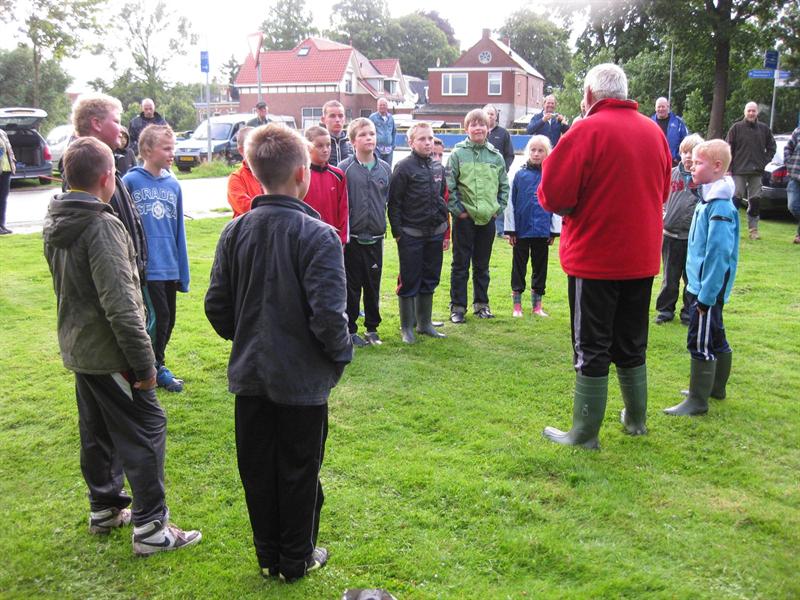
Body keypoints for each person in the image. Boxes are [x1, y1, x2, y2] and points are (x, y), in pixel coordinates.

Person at [205, 123, 352, 582]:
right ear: (302, 173)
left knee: (260, 468)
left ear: (254, 172)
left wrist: (248, 337)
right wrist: (338, 355)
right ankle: (291, 557)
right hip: (297, 379)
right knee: (297, 468)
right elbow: (329, 317)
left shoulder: (236, 232)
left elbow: (217, 306)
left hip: (256, 374)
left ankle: (278, 555)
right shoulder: (318, 236)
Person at [43, 137, 201, 556]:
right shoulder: (101, 225)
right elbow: (122, 307)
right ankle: (151, 528)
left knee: (97, 430)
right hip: (111, 353)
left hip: (81, 349)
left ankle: (106, 509)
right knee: (147, 427)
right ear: (108, 177)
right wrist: (145, 366)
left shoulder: (58, 218)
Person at [539, 63, 672, 449]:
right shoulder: (654, 131)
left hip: (595, 258)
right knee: (632, 339)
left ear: (590, 94)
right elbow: (663, 191)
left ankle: (584, 433)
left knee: (592, 344)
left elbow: (554, 195)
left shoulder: (585, 130)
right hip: (641, 257)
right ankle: (636, 419)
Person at [664, 139, 738, 416]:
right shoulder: (707, 198)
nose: (692, 167)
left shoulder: (720, 207)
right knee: (716, 333)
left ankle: (697, 400)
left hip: (707, 290)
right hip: (701, 285)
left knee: (701, 340)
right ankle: (714, 388)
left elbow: (719, 255)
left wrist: (705, 296)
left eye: (698, 163)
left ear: (717, 166)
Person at [122, 124, 189, 393]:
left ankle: (154, 364)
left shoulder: (173, 185)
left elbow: (179, 231)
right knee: (157, 318)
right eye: (166, 148)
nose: (172, 153)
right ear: (147, 150)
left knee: (168, 320)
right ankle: (152, 368)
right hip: (147, 268)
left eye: (173, 148)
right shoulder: (130, 182)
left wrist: (182, 271)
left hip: (169, 265)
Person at [71, 93, 148, 285]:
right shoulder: (84, 169)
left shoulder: (106, 165)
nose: (121, 129)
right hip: (113, 283)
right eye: (116, 121)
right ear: (96, 123)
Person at [387, 122, 449, 344]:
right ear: (411, 142)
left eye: (430, 138)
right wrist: (398, 233)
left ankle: (425, 324)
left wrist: (443, 227)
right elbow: (394, 203)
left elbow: (442, 197)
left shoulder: (438, 167)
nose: (427, 143)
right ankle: (407, 328)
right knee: (409, 280)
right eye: (422, 139)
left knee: (430, 277)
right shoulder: (403, 167)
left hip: (434, 233)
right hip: (410, 234)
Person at [447, 108, 509, 324]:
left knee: (482, 265)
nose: (478, 128)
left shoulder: (496, 157)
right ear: (466, 129)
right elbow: (449, 186)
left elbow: (504, 186)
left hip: (487, 219)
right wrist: (459, 211)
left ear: (488, 128)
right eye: (473, 125)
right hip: (465, 220)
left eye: (481, 124)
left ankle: (482, 304)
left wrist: (497, 210)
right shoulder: (457, 155)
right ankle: (457, 307)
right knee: (460, 264)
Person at [338, 118, 392, 347]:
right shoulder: (344, 169)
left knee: (372, 284)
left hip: (376, 238)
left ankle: (372, 328)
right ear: (352, 141)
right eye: (363, 135)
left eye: (371, 134)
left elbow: (388, 200)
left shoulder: (385, 169)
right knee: (351, 286)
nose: (369, 138)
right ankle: (350, 329)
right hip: (352, 239)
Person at [654, 133, 704, 325]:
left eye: (692, 152)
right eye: (685, 152)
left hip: (693, 236)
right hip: (670, 234)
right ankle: (665, 310)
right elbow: (660, 195)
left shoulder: (702, 178)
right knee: (670, 276)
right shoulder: (672, 173)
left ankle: (689, 312)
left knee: (691, 277)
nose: (688, 156)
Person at [504, 135, 556, 318]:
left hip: (542, 230)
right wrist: (511, 229)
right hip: (522, 230)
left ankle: (537, 306)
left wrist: (553, 230)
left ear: (547, 153)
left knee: (540, 267)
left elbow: (555, 203)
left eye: (540, 150)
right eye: (533, 150)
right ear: (528, 151)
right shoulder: (519, 174)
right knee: (519, 266)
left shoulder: (550, 175)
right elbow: (510, 203)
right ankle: (517, 305)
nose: (536, 154)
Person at [725, 101, 776, 240]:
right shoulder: (736, 128)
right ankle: (731, 227)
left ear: (757, 112)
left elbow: (772, 147)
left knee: (755, 201)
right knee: (735, 199)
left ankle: (753, 230)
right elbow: (727, 149)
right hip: (738, 170)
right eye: (749, 110)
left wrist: (764, 161)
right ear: (745, 112)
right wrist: (728, 168)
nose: (751, 113)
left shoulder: (764, 129)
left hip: (756, 171)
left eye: (753, 110)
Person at [303, 125, 349, 245]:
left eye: (328, 145)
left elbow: (343, 210)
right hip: (306, 240)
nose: (325, 149)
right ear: (307, 147)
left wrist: (342, 240)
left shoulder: (338, 175)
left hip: (332, 240)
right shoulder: (301, 174)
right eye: (319, 146)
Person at [485, 104, 515, 237]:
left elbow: (510, 155)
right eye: (487, 113)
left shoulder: (503, 133)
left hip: (498, 176)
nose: (489, 116)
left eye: (492, 114)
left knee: (500, 200)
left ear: (496, 117)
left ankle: (500, 229)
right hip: (482, 175)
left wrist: (504, 170)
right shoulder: (479, 132)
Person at [227, 127, 262, 218]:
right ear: (241, 150)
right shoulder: (236, 178)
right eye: (255, 147)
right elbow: (246, 208)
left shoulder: (272, 172)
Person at [651, 97, 689, 166]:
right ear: (655, 108)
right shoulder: (650, 123)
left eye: (663, 106)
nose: (661, 109)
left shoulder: (678, 122)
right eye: (659, 107)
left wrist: (678, 157)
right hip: (655, 162)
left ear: (668, 107)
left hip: (673, 163)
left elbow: (686, 141)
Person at [322, 100, 353, 167]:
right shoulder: (317, 145)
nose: (337, 120)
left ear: (344, 119)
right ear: (323, 120)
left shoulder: (353, 143)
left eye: (340, 116)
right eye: (332, 116)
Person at [369, 98, 396, 166]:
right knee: (376, 167)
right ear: (377, 106)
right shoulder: (372, 117)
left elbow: (394, 132)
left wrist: (393, 145)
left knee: (388, 168)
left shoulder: (391, 118)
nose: (382, 107)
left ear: (387, 106)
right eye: (380, 105)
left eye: (384, 105)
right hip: (377, 149)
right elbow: (369, 132)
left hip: (389, 149)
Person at [784, 125, 800, 244]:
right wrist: (788, 163)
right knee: (792, 206)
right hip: (795, 175)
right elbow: (787, 148)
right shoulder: (798, 131)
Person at [0, 127, 16, 235]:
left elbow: (9, 150)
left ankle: (2, 225)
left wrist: (13, 162)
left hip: (6, 170)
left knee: (3, 199)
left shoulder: (2, 133)